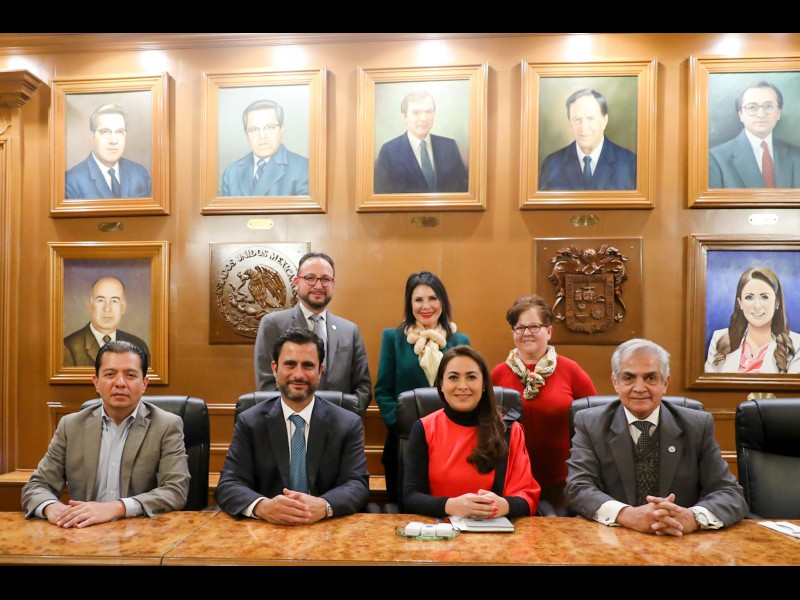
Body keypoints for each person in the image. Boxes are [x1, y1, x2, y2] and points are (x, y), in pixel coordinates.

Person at [565, 338, 748, 536]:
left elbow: (729, 493)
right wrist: (627, 515)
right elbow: (578, 488)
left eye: (650, 378)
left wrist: (692, 518)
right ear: (615, 382)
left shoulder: (696, 426)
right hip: (612, 539)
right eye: (629, 378)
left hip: (678, 539)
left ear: (665, 382)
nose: (639, 388)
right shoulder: (591, 423)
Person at [21, 340, 189, 527]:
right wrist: (52, 508)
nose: (120, 383)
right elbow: (37, 486)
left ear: (144, 383)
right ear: (96, 382)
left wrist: (117, 508)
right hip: (83, 532)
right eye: (110, 374)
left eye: (130, 375)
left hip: (141, 532)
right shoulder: (71, 426)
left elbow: (175, 490)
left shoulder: (166, 426)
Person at [216, 327, 369, 523]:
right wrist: (263, 507)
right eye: (290, 364)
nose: (298, 375)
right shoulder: (250, 422)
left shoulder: (347, 423)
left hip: (325, 528)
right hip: (265, 529)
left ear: (320, 371)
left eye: (308, 366)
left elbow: (357, 484)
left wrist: (324, 506)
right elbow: (229, 484)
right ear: (274, 369)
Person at [404, 345, 541, 518]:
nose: (462, 386)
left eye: (471, 377)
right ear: (441, 384)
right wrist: (450, 506)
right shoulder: (424, 428)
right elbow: (411, 497)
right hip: (439, 528)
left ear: (483, 384)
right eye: (453, 377)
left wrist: (505, 505)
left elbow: (527, 497)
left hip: (494, 528)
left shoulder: (508, 429)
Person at [490, 295, 596, 511]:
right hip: (509, 484)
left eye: (534, 326)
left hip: (562, 484)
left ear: (549, 331)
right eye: (520, 327)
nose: (526, 333)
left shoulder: (571, 370)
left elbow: (596, 421)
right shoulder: (498, 374)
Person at [374, 270, 470, 504]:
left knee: (446, 509)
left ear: (442, 302)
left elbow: (466, 389)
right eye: (418, 299)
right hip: (404, 444)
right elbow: (383, 391)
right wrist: (403, 427)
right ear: (410, 304)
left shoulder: (460, 341)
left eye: (432, 298)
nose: (426, 306)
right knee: (406, 511)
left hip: (451, 444)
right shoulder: (393, 338)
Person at [254, 252, 372, 416]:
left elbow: (363, 387)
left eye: (325, 279)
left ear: (333, 284)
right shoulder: (273, 324)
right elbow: (267, 384)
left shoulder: (350, 330)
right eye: (310, 278)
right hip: (290, 423)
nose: (318, 286)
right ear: (297, 283)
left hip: (339, 425)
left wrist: (345, 420)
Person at [705, 266, 800, 373]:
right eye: (749, 297)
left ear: (777, 302)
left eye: (764, 297)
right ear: (740, 303)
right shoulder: (719, 339)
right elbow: (708, 383)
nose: (757, 306)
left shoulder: (797, 344)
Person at [539, 88, 636, 191]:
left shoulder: (629, 163)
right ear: (570, 122)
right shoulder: (552, 164)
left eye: (591, 118)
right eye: (577, 119)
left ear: (604, 120)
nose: (584, 127)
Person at [709, 80, 800, 189]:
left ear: (778, 113)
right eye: (752, 107)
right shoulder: (715, 159)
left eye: (769, 106)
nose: (761, 115)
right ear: (740, 115)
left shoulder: (797, 155)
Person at [374, 90, 468, 194]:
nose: (423, 118)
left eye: (428, 111)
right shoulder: (388, 151)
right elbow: (382, 194)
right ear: (404, 117)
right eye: (416, 113)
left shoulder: (449, 147)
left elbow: (463, 189)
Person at [221, 98, 309, 196]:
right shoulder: (232, 172)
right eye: (254, 130)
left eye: (270, 127)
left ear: (281, 130)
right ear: (246, 134)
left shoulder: (305, 168)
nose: (262, 136)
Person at [65, 104, 152, 199]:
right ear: (92, 138)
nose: (114, 141)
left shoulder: (139, 173)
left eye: (119, 132)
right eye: (105, 132)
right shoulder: (71, 181)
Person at [63, 276, 150, 368]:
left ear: (123, 307)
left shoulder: (139, 346)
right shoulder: (67, 348)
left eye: (114, 301)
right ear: (90, 306)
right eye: (100, 300)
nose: (107, 308)